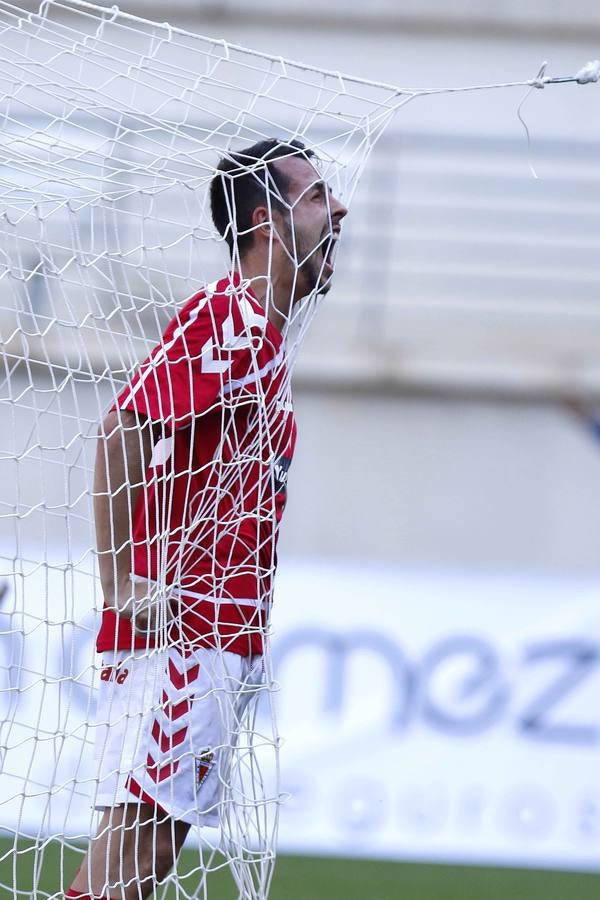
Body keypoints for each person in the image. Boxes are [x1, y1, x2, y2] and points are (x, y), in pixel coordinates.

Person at [66, 138, 347, 899]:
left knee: (139, 865)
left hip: (214, 638)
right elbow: (123, 428)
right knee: (131, 864)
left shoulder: (266, 339)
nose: (341, 208)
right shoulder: (231, 317)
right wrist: (120, 583)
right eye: (317, 196)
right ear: (265, 221)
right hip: (183, 637)